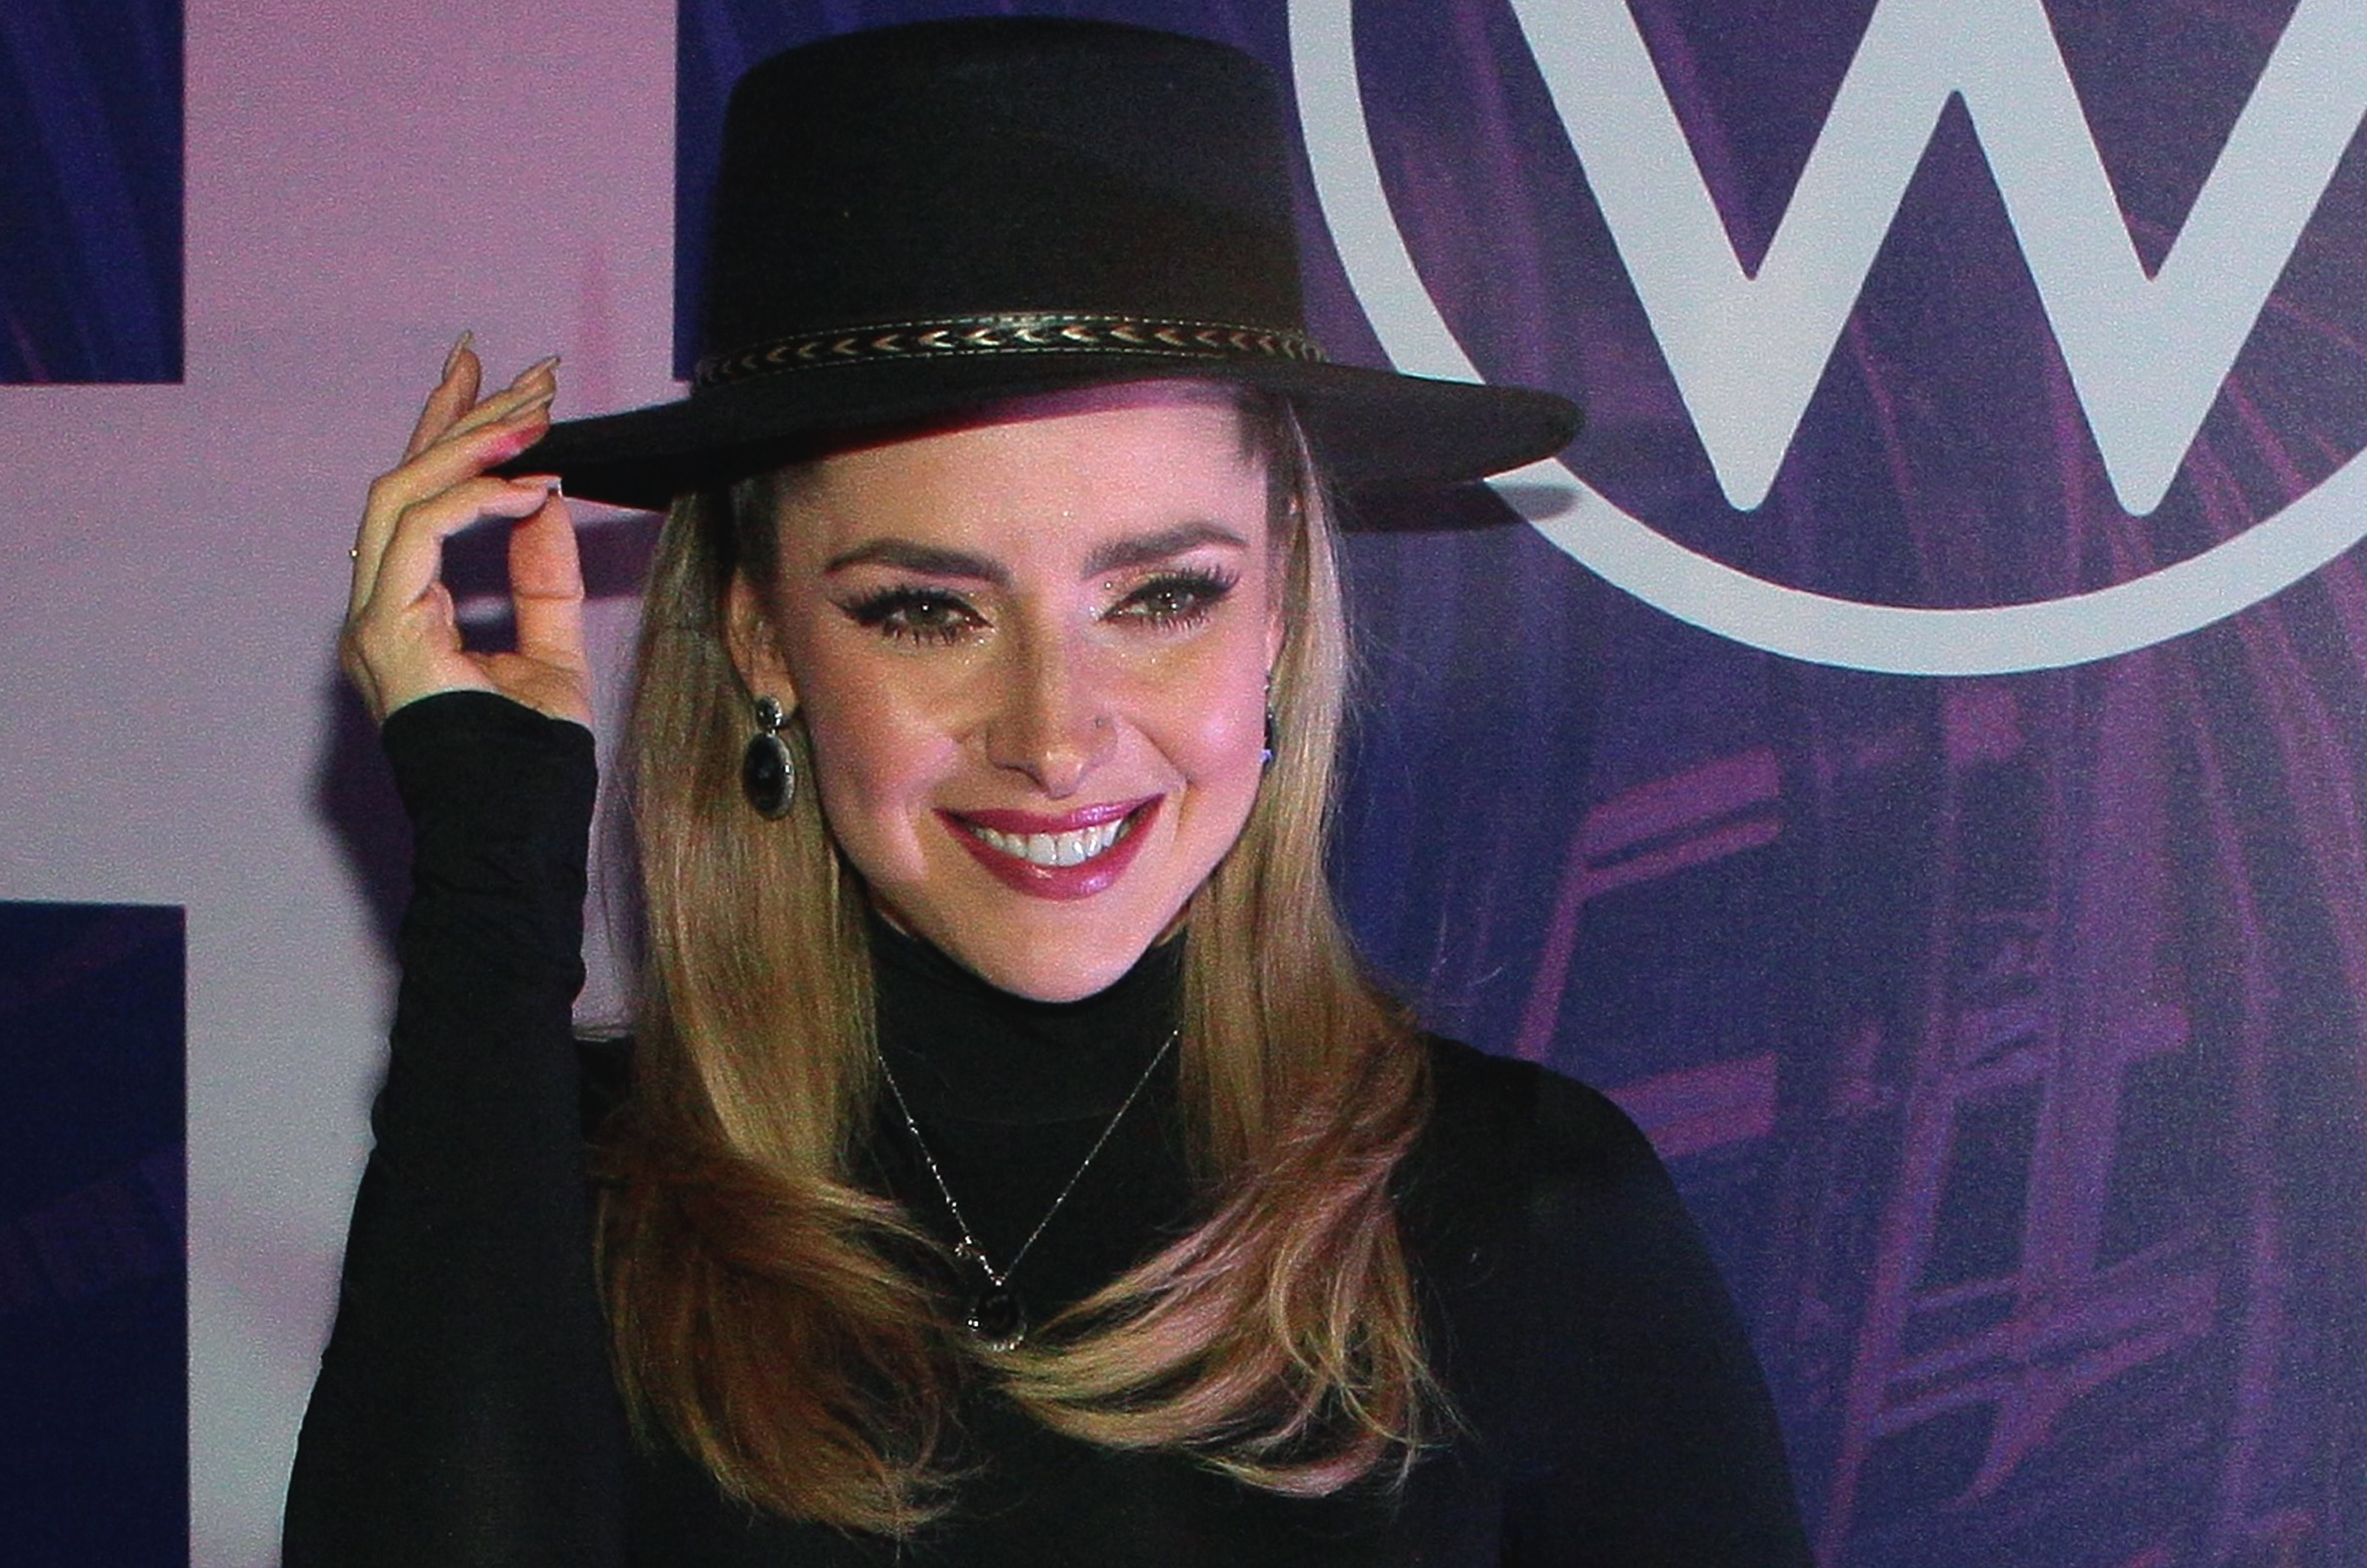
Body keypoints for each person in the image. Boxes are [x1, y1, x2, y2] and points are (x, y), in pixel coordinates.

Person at [286, 18, 1810, 1566]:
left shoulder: (1529, 1214)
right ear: (763, 639)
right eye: (924, 611)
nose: (1055, 735)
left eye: (1160, 598)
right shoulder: (555, 1190)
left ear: (1280, 609)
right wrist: (492, 875)